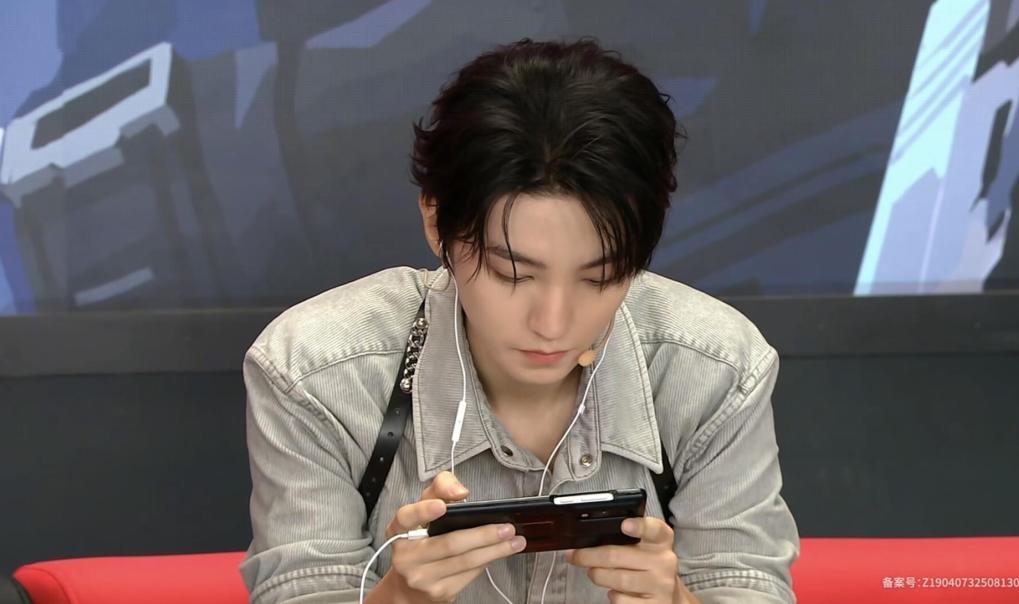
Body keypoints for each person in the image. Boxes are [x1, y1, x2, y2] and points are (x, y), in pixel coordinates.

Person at [240, 38, 799, 604]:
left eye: (600, 276)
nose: (553, 323)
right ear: (436, 222)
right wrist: (398, 598)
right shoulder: (315, 371)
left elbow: (747, 587)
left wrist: (678, 601)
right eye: (513, 273)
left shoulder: (716, 370)